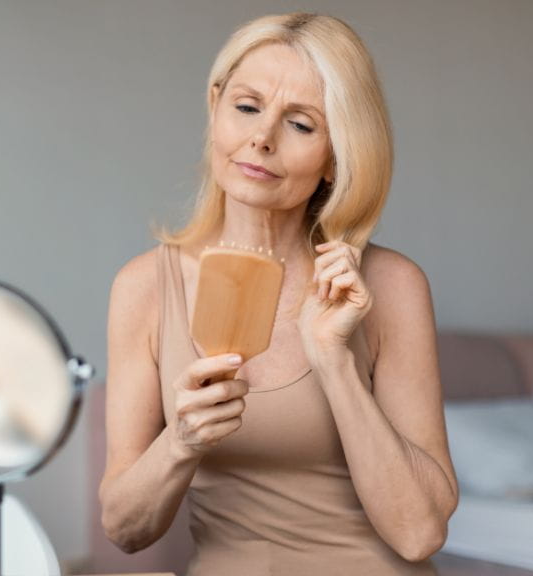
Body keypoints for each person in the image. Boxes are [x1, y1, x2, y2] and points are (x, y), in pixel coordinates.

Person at [100, 12, 459, 576]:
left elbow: (420, 535)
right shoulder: (144, 288)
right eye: (246, 107)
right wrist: (180, 444)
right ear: (215, 105)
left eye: (301, 124)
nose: (261, 139)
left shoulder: (389, 287)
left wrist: (334, 361)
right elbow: (125, 529)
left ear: (337, 154)